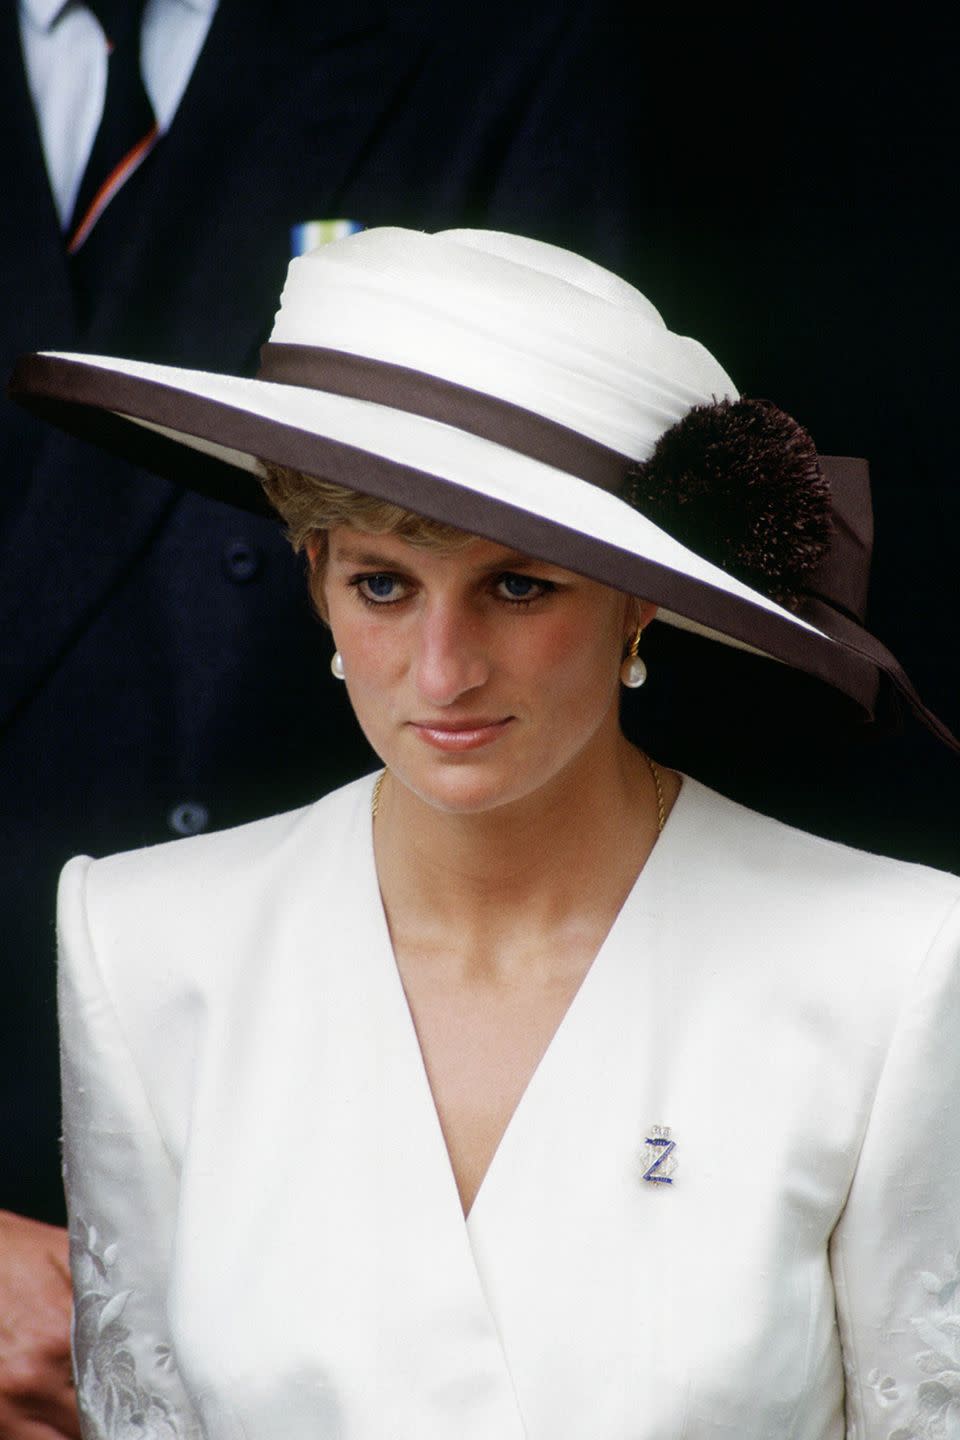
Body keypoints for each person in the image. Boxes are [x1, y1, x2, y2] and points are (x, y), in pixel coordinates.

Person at [14, 228, 960, 1438]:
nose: (443, 671)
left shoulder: (883, 964)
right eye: (384, 583)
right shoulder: (144, 940)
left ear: (641, 603)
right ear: (315, 581)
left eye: (519, 585)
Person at [2, 5, 641, 1433]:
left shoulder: (503, 46)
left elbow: (548, 642)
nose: (441, 661)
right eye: (373, 580)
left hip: (348, 1146)